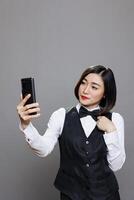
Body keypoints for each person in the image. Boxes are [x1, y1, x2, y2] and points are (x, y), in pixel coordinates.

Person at [17, 65, 126, 200]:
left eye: (94, 87)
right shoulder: (61, 115)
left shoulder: (115, 120)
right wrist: (26, 125)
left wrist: (111, 131)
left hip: (107, 195)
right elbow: (43, 149)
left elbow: (116, 165)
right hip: (71, 195)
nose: (85, 90)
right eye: (83, 83)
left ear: (105, 93)